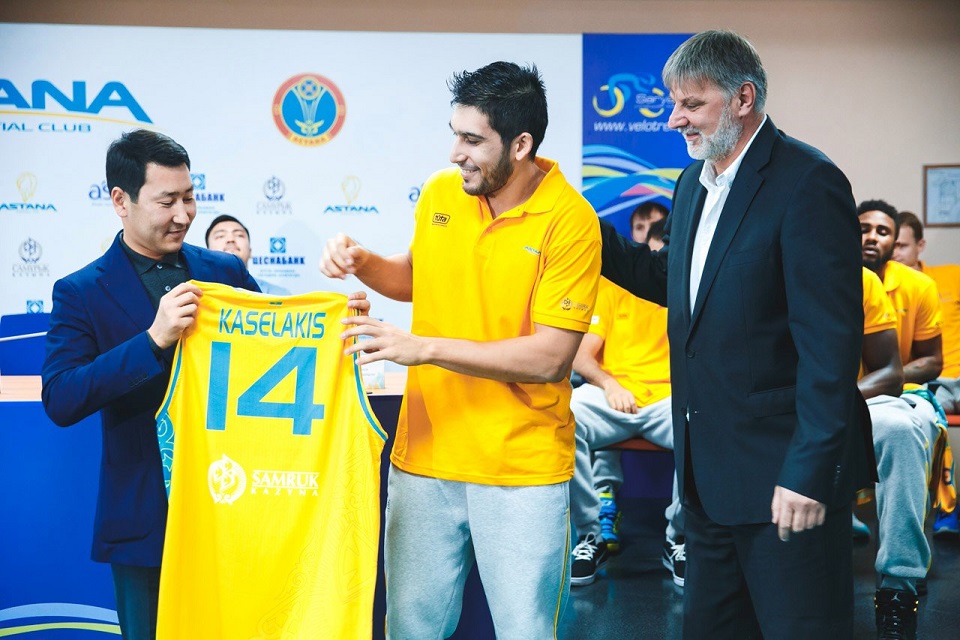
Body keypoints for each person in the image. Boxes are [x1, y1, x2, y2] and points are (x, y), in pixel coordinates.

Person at [599, 30, 873, 638]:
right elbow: (673, 284)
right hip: (708, 484)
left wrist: (807, 472)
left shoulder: (809, 182)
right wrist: (575, 226)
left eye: (691, 104)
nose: (675, 120)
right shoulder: (692, 185)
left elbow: (829, 349)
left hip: (786, 483)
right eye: (674, 104)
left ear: (743, 98)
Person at [320, 61, 601, 639]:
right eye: (455, 135)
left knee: (526, 632)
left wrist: (423, 348)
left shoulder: (572, 221)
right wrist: (363, 262)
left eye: (473, 140)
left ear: (520, 145)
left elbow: (550, 358)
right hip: (425, 454)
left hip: (521, 467)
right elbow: (417, 275)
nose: (455, 153)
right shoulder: (441, 192)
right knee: (410, 630)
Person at [40, 130, 262, 640]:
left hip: (236, 504)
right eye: (167, 202)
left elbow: (278, 348)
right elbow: (62, 396)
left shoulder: (225, 271)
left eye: (189, 198)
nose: (183, 215)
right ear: (121, 201)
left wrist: (334, 324)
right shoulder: (81, 291)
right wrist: (152, 341)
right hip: (144, 521)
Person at [568, 215, 685, 588]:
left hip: (668, 399)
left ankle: (679, 538)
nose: (659, 266)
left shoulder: (689, 287)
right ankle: (590, 535)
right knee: (563, 416)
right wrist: (609, 384)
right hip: (614, 395)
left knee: (701, 421)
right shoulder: (614, 287)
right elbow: (580, 356)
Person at [859, 199, 951, 638]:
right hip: (843, 398)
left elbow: (932, 361)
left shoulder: (917, 285)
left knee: (911, 427)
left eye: (882, 231)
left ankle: (901, 581)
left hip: (898, 394)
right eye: (864, 228)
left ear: (896, 242)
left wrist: (890, 377)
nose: (871, 237)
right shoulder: (832, 276)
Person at [894, 209, 960, 537]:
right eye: (892, 245)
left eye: (902, 245)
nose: (895, 252)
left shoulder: (950, 276)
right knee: (930, 416)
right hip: (931, 382)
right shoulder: (886, 287)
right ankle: (948, 508)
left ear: (920, 246)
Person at [204, 214, 291, 295]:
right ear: (206, 252)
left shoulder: (280, 295)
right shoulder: (198, 294)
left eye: (239, 235)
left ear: (250, 251)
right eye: (220, 236)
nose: (230, 239)